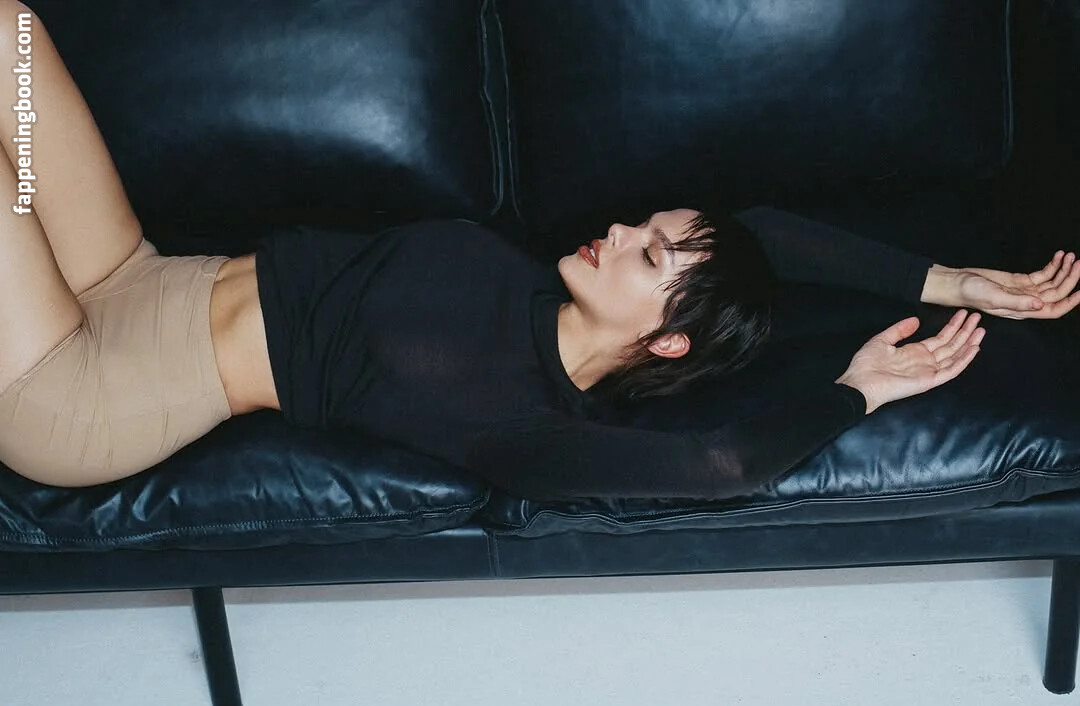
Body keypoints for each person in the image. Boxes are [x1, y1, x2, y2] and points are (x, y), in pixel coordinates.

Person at [0, 3, 1078, 498]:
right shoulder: (529, 273)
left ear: (664, 344)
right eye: (650, 231)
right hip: (124, 276)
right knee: (10, 41)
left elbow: (724, 464)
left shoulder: (524, 427)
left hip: (85, 386)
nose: (625, 234)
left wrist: (858, 387)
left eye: (648, 260)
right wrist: (946, 277)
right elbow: (760, 237)